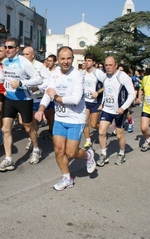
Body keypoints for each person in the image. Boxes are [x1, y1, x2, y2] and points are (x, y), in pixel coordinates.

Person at [34, 46, 96, 191]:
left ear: (73, 59)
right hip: (60, 119)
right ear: (58, 60)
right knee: (59, 150)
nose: (66, 61)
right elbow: (47, 93)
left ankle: (88, 154)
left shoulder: (78, 76)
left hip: (76, 119)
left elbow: (75, 99)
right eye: (63, 58)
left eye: (69, 58)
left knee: (71, 153)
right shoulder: (54, 74)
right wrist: (41, 108)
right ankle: (67, 178)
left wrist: (55, 97)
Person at [0, 38, 42, 171]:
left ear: (17, 49)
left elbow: (37, 79)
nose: (7, 49)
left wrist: (21, 84)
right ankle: (8, 159)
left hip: (24, 100)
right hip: (9, 99)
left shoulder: (24, 62)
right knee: (5, 129)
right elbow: (6, 78)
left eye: (10, 47)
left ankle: (36, 149)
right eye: (6, 47)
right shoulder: (5, 62)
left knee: (28, 128)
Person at [96, 56, 135, 166]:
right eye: (106, 65)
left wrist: (123, 107)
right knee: (102, 131)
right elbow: (107, 92)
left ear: (116, 65)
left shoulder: (122, 76)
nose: (108, 67)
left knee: (119, 135)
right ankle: (103, 155)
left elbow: (132, 94)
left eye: (110, 65)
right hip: (107, 109)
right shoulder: (105, 76)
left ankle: (122, 153)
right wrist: (102, 103)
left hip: (119, 111)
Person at [82, 53, 104, 149]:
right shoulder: (82, 73)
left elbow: (107, 84)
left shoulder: (98, 73)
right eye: (86, 60)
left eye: (89, 61)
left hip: (95, 102)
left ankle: (102, 130)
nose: (87, 62)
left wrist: (98, 92)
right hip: (85, 101)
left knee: (93, 124)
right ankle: (88, 141)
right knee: (84, 122)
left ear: (94, 62)